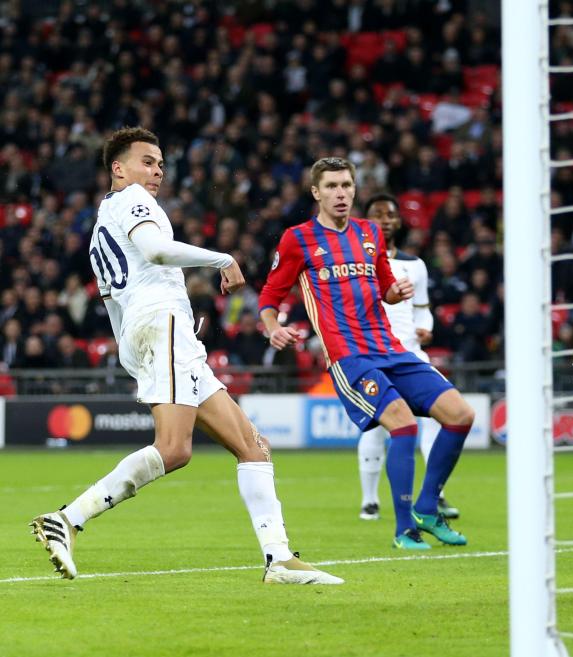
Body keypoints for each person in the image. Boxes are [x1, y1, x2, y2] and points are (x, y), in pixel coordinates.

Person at [30, 127, 342, 585]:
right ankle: (69, 518)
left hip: (155, 331)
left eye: (160, 163)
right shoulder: (133, 202)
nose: (156, 171)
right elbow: (157, 251)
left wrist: (132, 351)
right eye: (146, 161)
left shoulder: (102, 223)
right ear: (118, 169)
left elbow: (115, 302)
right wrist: (222, 258)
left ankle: (279, 559)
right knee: (175, 449)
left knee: (253, 446)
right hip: (164, 324)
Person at [258, 157, 474, 550]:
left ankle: (428, 507)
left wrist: (398, 293)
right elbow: (271, 295)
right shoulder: (298, 238)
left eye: (346, 186)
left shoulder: (369, 232)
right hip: (349, 357)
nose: (340, 194)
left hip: (391, 348)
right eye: (331, 187)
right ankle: (404, 528)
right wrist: (274, 328)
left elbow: (387, 288)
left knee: (461, 415)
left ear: (355, 189)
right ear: (316, 192)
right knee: (404, 426)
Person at [354, 193, 460, 522]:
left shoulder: (416, 265)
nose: (385, 220)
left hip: (410, 353)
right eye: (377, 214)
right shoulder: (355, 261)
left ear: (399, 222)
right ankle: (369, 500)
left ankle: (435, 494)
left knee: (434, 422)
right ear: (365, 221)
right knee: (374, 429)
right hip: (370, 355)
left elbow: (423, 310)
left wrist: (426, 328)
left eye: (390, 215)